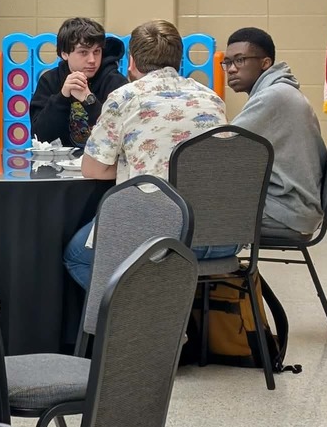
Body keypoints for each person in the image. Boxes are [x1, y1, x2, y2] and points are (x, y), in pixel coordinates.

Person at [64, 20, 231, 289]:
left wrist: (128, 164)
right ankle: (172, 317)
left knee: (78, 258)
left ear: (131, 61)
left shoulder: (124, 97)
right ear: (179, 58)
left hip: (156, 235)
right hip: (221, 236)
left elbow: (92, 170)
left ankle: (144, 323)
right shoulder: (211, 99)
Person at [223, 27, 326, 236]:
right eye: (227, 62)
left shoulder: (273, 97)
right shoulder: (279, 91)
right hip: (292, 205)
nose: (231, 69)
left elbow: (221, 146)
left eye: (240, 60)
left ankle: (218, 269)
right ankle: (236, 269)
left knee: (198, 208)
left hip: (288, 211)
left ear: (265, 63)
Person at [30, 16, 127, 147]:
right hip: (58, 163)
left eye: (97, 51)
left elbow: (121, 135)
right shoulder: (50, 81)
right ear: (64, 54)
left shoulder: (114, 81)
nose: (92, 60)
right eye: (83, 52)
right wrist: (62, 97)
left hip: (103, 163)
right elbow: (40, 138)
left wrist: (89, 100)